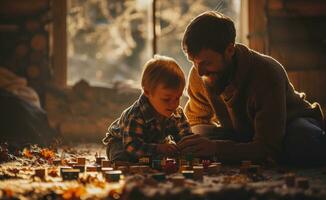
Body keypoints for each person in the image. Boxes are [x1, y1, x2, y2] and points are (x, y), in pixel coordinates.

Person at [177, 11, 325, 166]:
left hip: (288, 124)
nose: (199, 71)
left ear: (229, 50)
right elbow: (196, 120)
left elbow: (268, 145)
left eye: (206, 62)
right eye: (193, 61)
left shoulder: (266, 73)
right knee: (199, 134)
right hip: (242, 134)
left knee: (302, 141)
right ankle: (252, 152)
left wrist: (216, 148)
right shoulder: (200, 72)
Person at [103, 55, 192, 162]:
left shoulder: (177, 113)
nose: (173, 104)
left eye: (178, 97)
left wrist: (186, 146)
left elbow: (186, 136)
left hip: (155, 144)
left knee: (165, 157)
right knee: (122, 157)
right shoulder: (136, 115)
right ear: (147, 92)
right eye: (166, 99)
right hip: (124, 142)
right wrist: (158, 148)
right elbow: (132, 146)